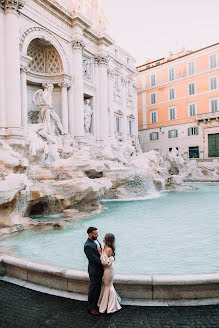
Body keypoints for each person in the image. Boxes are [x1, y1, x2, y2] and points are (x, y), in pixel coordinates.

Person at [97, 233, 121, 314]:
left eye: (104, 238)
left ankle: (111, 305)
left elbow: (105, 262)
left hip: (108, 271)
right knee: (107, 286)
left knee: (108, 286)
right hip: (106, 270)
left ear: (107, 240)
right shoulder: (105, 247)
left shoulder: (108, 249)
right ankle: (106, 304)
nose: (102, 238)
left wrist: (100, 253)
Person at [84, 227, 103, 315]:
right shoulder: (87, 245)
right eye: (95, 234)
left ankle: (96, 304)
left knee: (97, 288)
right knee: (93, 289)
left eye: (97, 233)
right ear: (90, 234)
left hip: (99, 270)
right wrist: (105, 262)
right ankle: (91, 307)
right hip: (94, 271)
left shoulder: (96, 240)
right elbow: (94, 260)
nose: (97, 235)